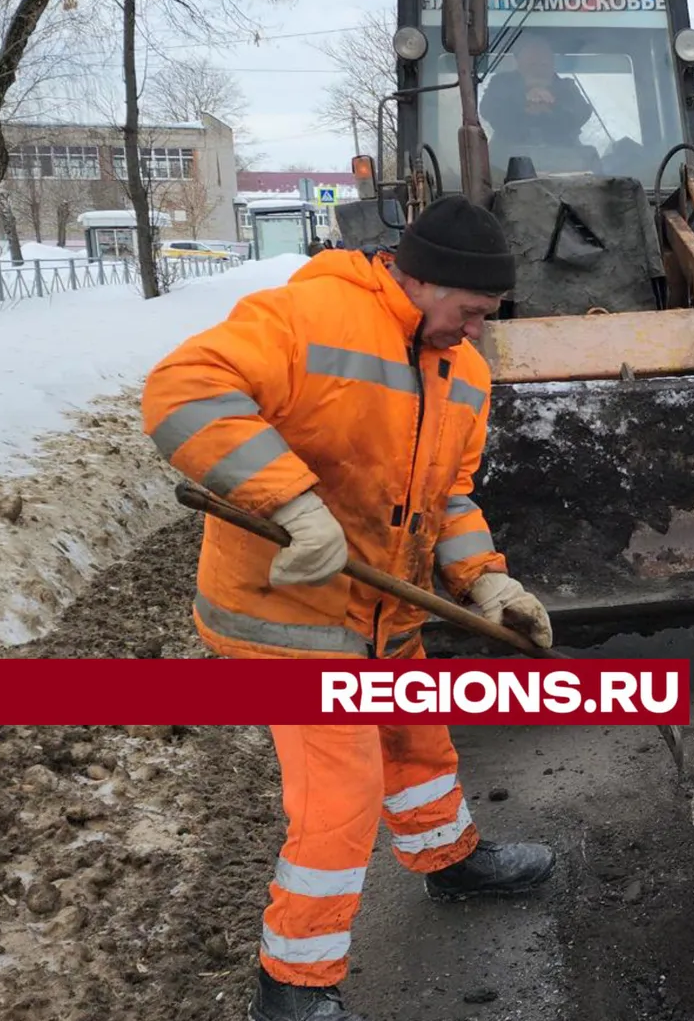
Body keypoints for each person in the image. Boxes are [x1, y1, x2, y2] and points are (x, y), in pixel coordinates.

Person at [141, 194, 561, 1021]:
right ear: (425, 281)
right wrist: (294, 504)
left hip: (382, 614)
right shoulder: (307, 313)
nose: (477, 331)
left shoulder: (465, 371)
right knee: (340, 800)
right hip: (286, 616)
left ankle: (448, 859)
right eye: (472, 312)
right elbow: (182, 392)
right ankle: (292, 987)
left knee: (416, 742)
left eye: (489, 317)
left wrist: (488, 583)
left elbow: (450, 497)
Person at [480, 35, 595, 157]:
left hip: (565, 160)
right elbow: (488, 110)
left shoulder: (567, 87)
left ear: (552, 63)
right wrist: (524, 100)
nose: (538, 69)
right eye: (532, 64)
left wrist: (553, 104)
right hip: (506, 161)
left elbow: (582, 113)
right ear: (519, 63)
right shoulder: (500, 83)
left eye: (544, 64)